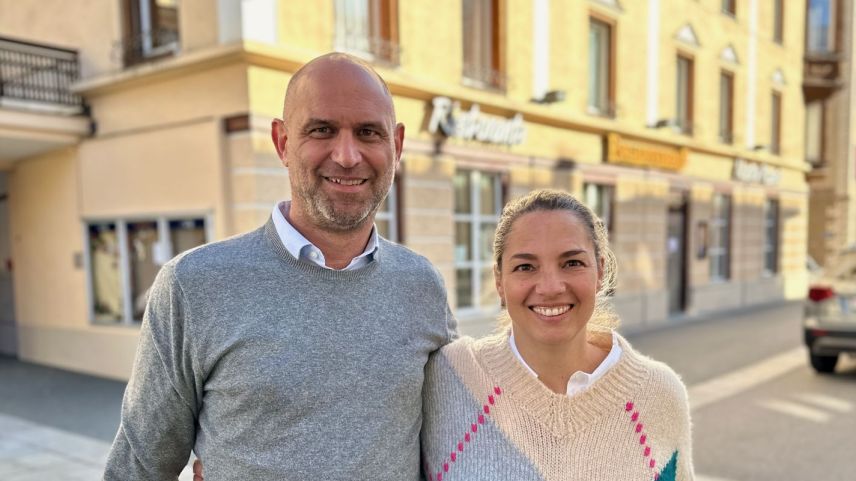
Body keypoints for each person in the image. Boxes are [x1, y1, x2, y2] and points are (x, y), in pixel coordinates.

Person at [102, 53, 456, 481]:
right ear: (282, 142)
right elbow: (138, 468)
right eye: (321, 130)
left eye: (368, 132)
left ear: (396, 146)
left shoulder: (421, 285)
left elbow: (459, 430)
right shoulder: (194, 286)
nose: (346, 156)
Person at [420, 189, 694, 480]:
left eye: (572, 263)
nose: (550, 287)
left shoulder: (660, 394)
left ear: (600, 272)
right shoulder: (448, 377)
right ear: (500, 281)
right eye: (525, 267)